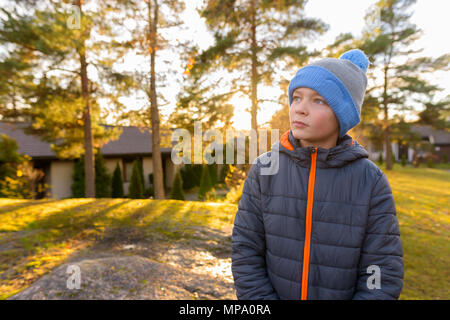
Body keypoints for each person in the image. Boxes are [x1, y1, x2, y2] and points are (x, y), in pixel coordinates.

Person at [231, 49, 404, 300]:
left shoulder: (370, 181)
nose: (300, 109)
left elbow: (380, 269)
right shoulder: (264, 170)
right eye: (297, 97)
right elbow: (246, 252)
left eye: (318, 100)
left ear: (342, 114)